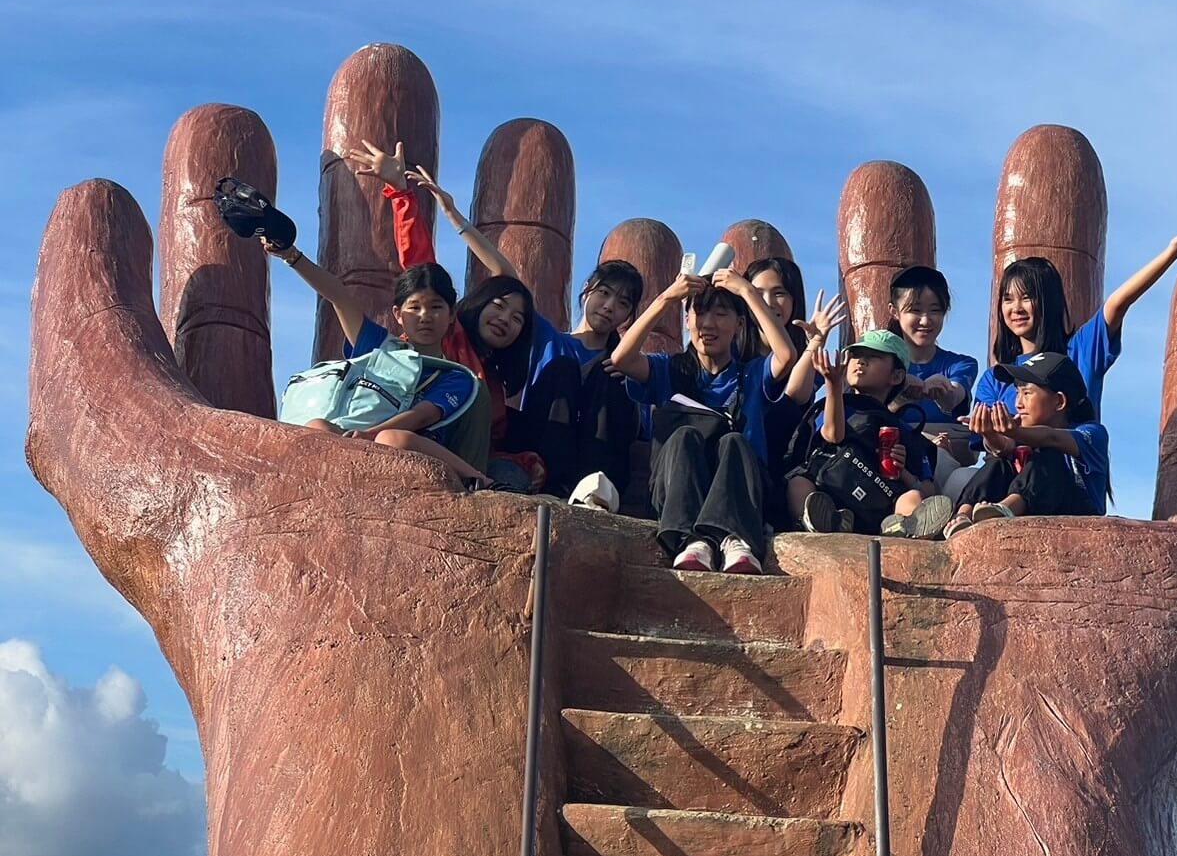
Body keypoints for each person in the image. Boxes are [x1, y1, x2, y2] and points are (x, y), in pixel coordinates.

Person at [346, 140, 641, 496]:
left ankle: (588, 493)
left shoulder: (500, 377)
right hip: (431, 446)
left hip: (513, 457)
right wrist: (410, 198)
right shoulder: (453, 336)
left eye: (516, 318)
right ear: (587, 290)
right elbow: (426, 268)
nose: (506, 319)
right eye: (499, 306)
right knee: (560, 370)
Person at [611, 270, 799, 574]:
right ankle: (693, 541)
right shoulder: (669, 370)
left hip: (741, 497)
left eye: (721, 314)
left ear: (739, 325)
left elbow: (787, 355)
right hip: (677, 493)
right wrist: (666, 299)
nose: (708, 324)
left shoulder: (750, 375)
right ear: (687, 320)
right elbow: (621, 358)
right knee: (684, 436)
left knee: (734, 441)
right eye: (699, 312)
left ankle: (735, 539)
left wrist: (747, 292)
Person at [264, 239, 490, 485]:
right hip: (356, 440)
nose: (425, 316)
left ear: (451, 315)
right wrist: (291, 255)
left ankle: (480, 481)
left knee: (391, 439)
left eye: (436, 307)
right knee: (317, 427)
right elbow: (339, 297)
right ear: (398, 314)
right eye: (414, 307)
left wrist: (369, 435)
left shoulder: (454, 376)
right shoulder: (379, 347)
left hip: (409, 453)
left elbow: (421, 417)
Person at [974, 225, 1177, 417]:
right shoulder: (996, 378)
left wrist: (1172, 251)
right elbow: (977, 442)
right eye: (1008, 299)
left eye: (1027, 297)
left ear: (1048, 302)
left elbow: (1119, 302)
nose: (1016, 309)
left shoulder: (1079, 350)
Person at [785, 330, 950, 537]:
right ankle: (823, 524)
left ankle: (898, 528)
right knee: (798, 484)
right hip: (829, 493)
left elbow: (927, 487)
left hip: (879, 507)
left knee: (913, 498)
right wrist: (833, 385)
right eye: (855, 355)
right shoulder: (832, 405)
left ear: (897, 376)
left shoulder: (903, 431)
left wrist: (903, 472)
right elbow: (833, 435)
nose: (861, 361)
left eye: (874, 356)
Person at [944, 353, 1110, 538]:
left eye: (1027, 393)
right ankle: (963, 515)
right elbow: (1003, 447)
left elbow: (1051, 437)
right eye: (1017, 393)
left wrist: (1013, 431)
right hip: (1038, 508)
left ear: (1059, 401)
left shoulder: (1092, 433)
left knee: (1049, 456)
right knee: (998, 462)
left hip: (1075, 516)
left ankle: (1007, 509)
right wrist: (989, 433)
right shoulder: (1024, 433)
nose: (1018, 403)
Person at [741, 257, 848, 507]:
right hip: (740, 461)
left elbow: (795, 397)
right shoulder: (734, 356)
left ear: (794, 300)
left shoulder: (803, 357)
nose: (768, 302)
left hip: (783, 466)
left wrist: (815, 343)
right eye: (757, 293)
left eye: (779, 293)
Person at [887, 265, 978, 423]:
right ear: (894, 311)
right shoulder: (882, 366)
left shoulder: (961, 364)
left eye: (935, 310)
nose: (925, 320)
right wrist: (900, 397)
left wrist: (943, 392)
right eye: (915, 310)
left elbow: (953, 397)